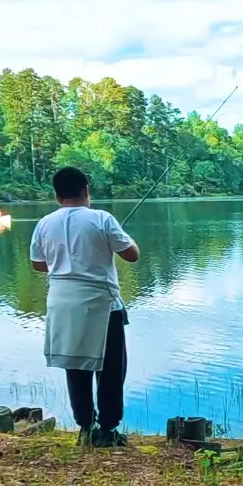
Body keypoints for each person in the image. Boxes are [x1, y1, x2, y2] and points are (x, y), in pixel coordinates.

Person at [29, 166, 139, 446]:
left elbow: (38, 264)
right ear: (86, 191)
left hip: (62, 306)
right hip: (101, 306)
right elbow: (132, 255)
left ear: (56, 196)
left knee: (75, 366)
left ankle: (85, 428)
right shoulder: (102, 218)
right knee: (111, 370)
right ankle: (109, 430)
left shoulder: (44, 223)